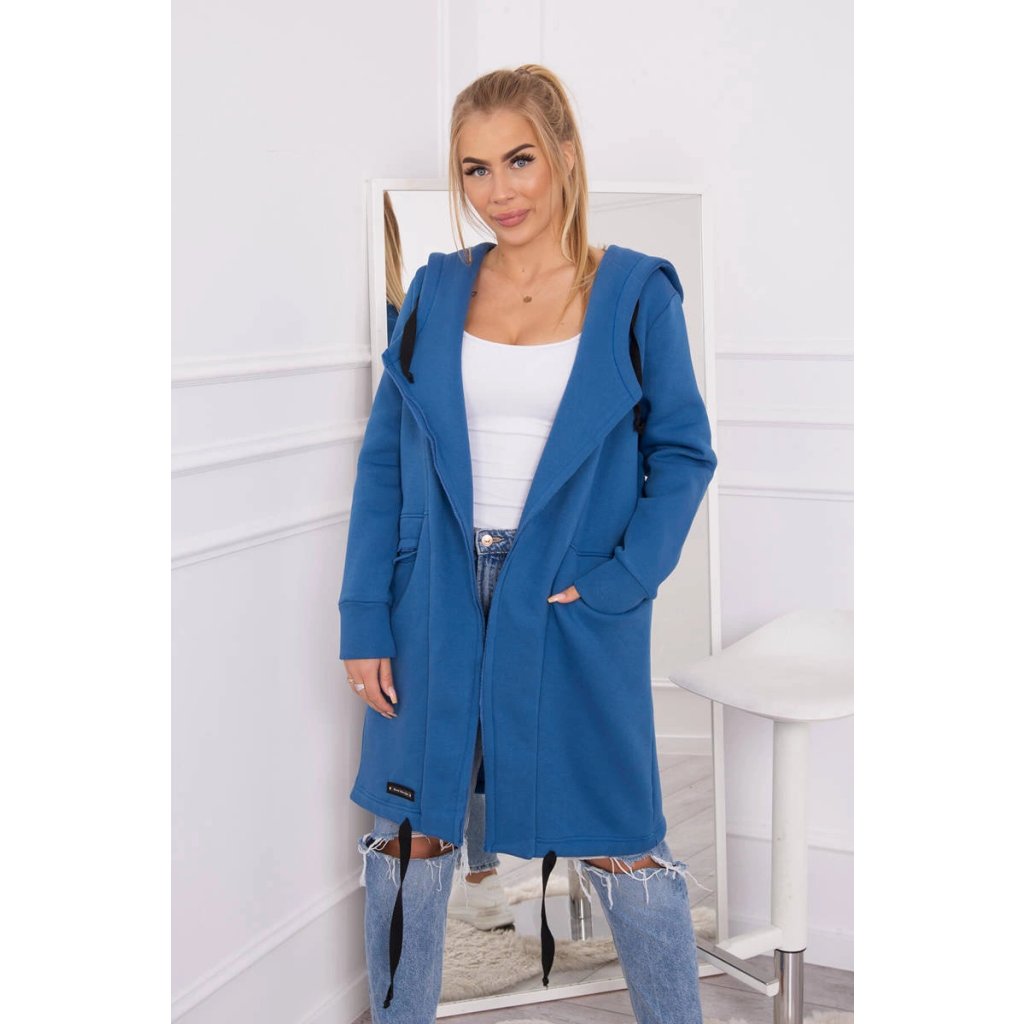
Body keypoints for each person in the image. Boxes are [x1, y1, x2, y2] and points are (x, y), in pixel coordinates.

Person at [339, 64, 717, 1024]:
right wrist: (364, 615)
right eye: (475, 169)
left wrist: (625, 578)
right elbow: (385, 461)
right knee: (410, 835)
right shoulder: (437, 289)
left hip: (566, 592)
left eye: (519, 161)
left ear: (565, 157)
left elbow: (682, 452)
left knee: (621, 836)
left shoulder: (634, 293)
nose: (498, 192)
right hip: (432, 591)